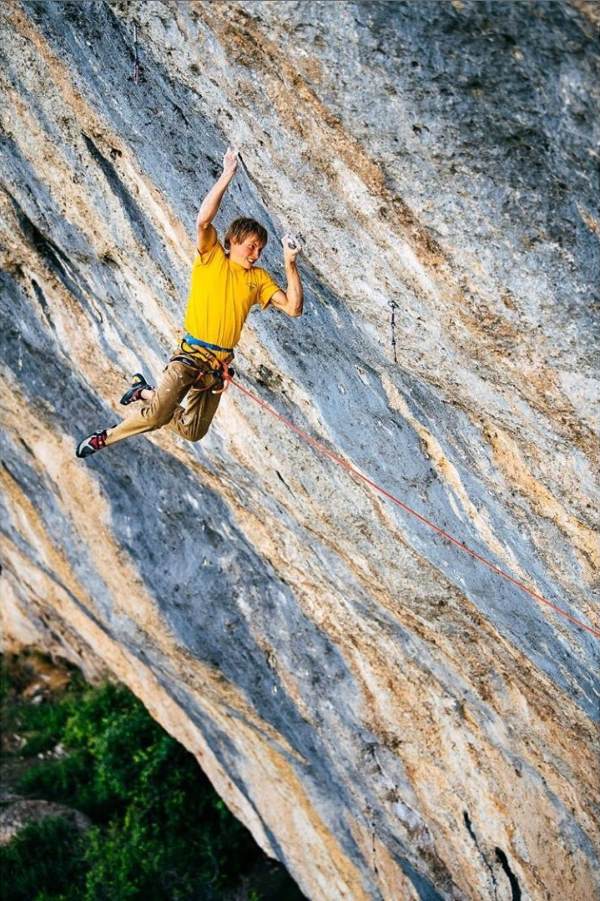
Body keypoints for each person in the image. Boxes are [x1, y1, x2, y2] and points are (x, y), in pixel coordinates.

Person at [76, 147, 303, 459]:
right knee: (156, 418)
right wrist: (227, 174)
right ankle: (105, 438)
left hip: (216, 368)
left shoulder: (259, 280)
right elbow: (203, 220)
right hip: (189, 359)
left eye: (261, 250)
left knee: (194, 431)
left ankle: (143, 392)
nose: (256, 254)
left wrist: (290, 263)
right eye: (252, 246)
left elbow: (293, 308)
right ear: (234, 241)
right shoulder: (211, 258)